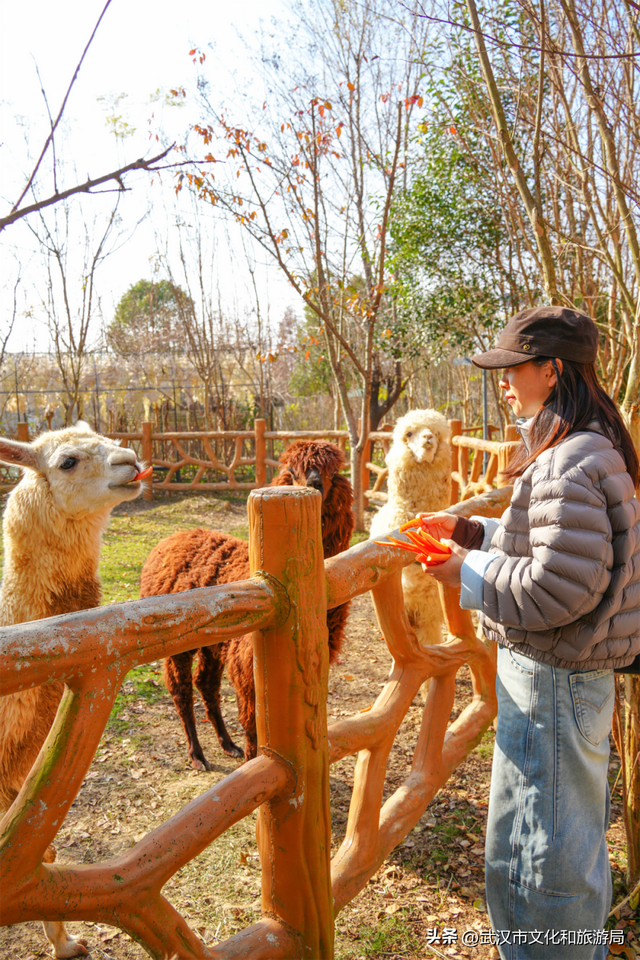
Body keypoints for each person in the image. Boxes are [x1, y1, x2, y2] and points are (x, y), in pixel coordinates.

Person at [420, 306, 640, 960]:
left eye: (513, 369)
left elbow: (554, 591)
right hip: (571, 684)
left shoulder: (569, 459)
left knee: (540, 871)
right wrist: (472, 534)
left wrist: (463, 573)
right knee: (563, 853)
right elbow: (558, 552)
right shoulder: (590, 444)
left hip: (551, 686)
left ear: (551, 369)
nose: (504, 384)